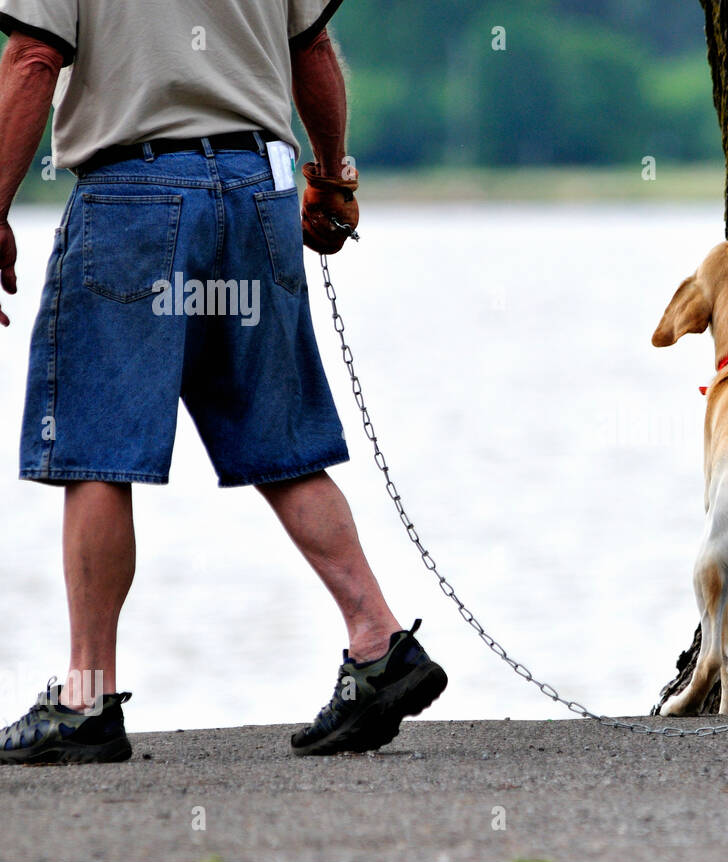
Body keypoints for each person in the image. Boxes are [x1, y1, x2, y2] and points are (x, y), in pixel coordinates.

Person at [0, 0, 446, 763]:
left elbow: (33, 60)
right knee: (283, 439)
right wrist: (331, 176)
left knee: (96, 447)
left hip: (130, 198)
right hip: (254, 189)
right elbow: (310, 51)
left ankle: (86, 697)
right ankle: (377, 640)